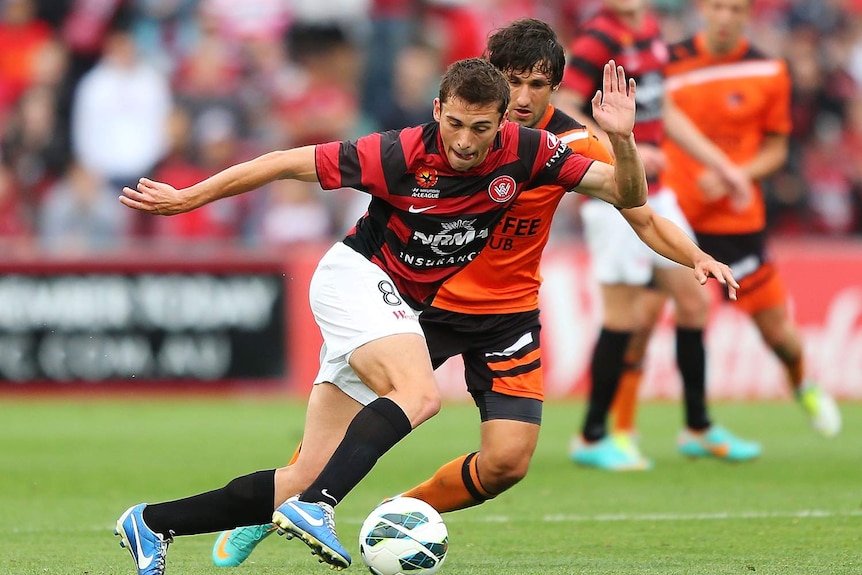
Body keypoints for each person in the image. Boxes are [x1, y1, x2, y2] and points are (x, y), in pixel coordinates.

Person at [208, 18, 741, 568]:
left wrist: (696, 255)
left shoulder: (572, 146)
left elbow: (642, 216)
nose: (523, 97)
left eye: (538, 85)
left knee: (508, 463)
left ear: (555, 87)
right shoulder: (457, 135)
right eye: (513, 81)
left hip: (507, 317)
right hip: (426, 306)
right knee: (337, 439)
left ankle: (400, 515)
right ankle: (275, 508)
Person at [112, 56, 673, 575]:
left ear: (504, 122)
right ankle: (318, 509)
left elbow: (626, 192)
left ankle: (152, 523)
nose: (464, 141)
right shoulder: (399, 151)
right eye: (454, 123)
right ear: (437, 110)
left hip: (395, 302)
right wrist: (189, 198)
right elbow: (286, 162)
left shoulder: (528, 152)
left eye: (481, 129)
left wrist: (621, 140)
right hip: (353, 278)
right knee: (420, 394)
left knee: (303, 471)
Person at [608, 0, 841, 443]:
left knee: (778, 333)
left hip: (736, 219)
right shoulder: (667, 61)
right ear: (703, 10)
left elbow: (776, 149)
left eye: (735, 9)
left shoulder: (769, 69)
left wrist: (737, 176)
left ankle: (803, 384)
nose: (725, 17)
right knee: (642, 319)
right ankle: (621, 431)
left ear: (747, 15)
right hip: (674, 213)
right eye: (717, 7)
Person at [555, 0, 761, 471]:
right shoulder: (598, 37)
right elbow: (564, 110)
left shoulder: (649, 27)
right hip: (611, 191)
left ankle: (698, 426)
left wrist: (720, 164)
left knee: (694, 299)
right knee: (623, 315)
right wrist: (624, 149)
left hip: (657, 192)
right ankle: (591, 436)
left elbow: (662, 108)